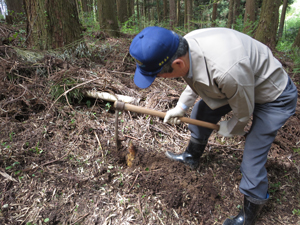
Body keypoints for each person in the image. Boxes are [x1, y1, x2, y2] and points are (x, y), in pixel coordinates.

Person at [129, 26, 298, 225]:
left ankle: (249, 214)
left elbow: (244, 110)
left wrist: (233, 126)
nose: (157, 79)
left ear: (177, 62)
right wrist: (181, 106)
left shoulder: (227, 71)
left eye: (157, 75)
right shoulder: (183, 45)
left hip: (273, 95)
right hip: (241, 84)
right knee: (202, 111)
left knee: (253, 155)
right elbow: (194, 76)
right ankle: (191, 157)